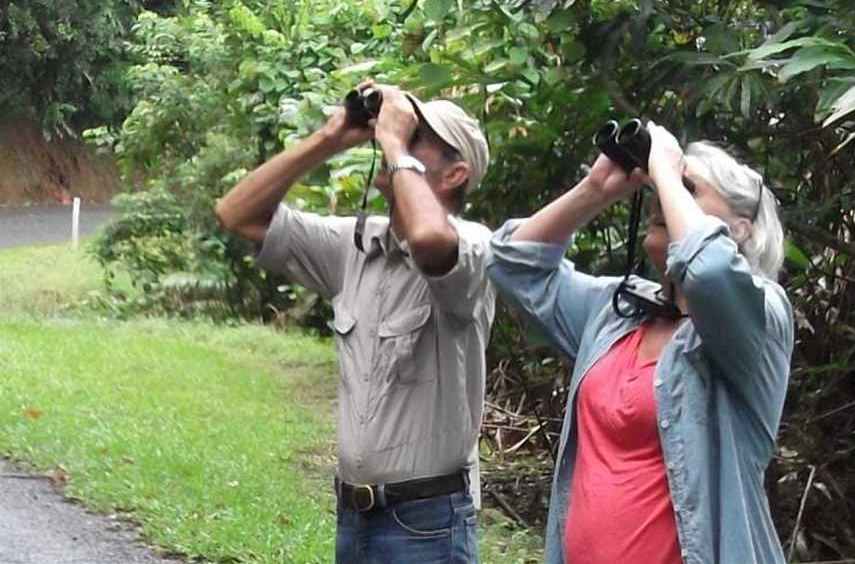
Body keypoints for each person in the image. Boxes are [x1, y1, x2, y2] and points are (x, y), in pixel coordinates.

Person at [485, 121, 793, 564]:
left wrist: (667, 172)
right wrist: (596, 188)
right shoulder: (617, 312)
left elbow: (707, 271)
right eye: (661, 189)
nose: (662, 199)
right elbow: (510, 264)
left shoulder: (759, 318)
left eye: (690, 189)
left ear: (740, 229)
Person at [215, 82, 495, 563]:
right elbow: (235, 213)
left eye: (417, 135)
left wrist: (391, 144)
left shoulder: (473, 248)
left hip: (427, 524)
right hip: (356, 516)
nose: (401, 136)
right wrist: (331, 136)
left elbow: (429, 238)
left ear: (455, 174)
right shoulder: (356, 246)